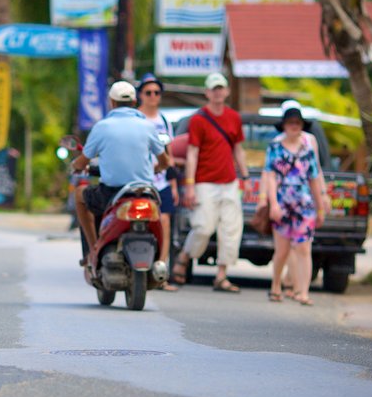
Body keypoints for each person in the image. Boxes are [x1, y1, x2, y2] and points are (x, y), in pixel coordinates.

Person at [71, 80, 171, 265]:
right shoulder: (148, 126)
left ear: (112, 102)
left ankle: (93, 250)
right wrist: (155, 169)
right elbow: (166, 161)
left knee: (79, 195)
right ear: (134, 102)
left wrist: (75, 165)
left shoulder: (102, 127)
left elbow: (83, 160)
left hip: (112, 193)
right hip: (145, 192)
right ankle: (161, 262)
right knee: (163, 218)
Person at [171, 72, 249, 293]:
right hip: (204, 181)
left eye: (220, 88)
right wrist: (190, 184)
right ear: (207, 92)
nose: (217, 92)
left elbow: (238, 150)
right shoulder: (198, 119)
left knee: (231, 228)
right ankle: (185, 256)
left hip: (229, 181)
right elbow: (192, 153)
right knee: (203, 227)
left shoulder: (234, 118)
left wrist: (245, 176)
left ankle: (222, 275)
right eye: (213, 89)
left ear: (226, 91)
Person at [256, 103, 329, 306]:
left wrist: (320, 205)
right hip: (282, 203)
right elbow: (269, 175)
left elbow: (315, 178)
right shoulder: (275, 147)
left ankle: (303, 292)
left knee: (304, 249)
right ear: (284, 125)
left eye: (297, 123)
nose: (294, 126)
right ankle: (276, 285)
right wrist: (271, 203)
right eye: (290, 123)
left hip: (304, 205)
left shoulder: (308, 150)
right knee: (282, 251)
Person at [135, 73, 180, 291]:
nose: (153, 96)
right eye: (148, 92)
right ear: (140, 95)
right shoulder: (135, 119)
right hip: (138, 180)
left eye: (156, 92)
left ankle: (160, 273)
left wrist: (173, 184)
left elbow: (168, 153)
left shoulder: (164, 121)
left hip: (161, 182)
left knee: (164, 222)